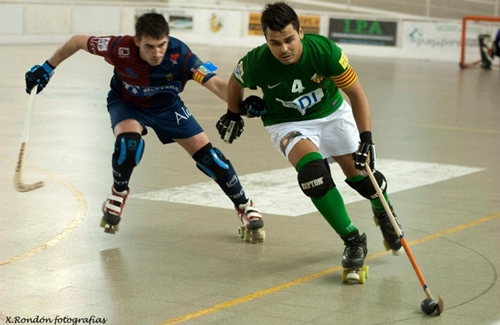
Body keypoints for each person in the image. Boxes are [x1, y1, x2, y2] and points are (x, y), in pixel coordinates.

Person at [24, 11, 265, 242]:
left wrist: (240, 106)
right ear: (138, 41)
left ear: (168, 39)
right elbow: (77, 41)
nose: (157, 52)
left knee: (212, 159)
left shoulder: (181, 55)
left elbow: (216, 84)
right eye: (149, 46)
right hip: (127, 104)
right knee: (128, 146)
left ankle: (244, 205)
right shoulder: (119, 47)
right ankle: (119, 193)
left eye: (162, 44)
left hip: (168, 108)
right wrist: (47, 67)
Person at [217, 1, 403, 275]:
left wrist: (366, 139)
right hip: (287, 122)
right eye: (275, 42)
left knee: (362, 179)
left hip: (331, 115)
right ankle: (353, 240)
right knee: (313, 177)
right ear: (266, 39)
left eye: (289, 40)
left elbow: (357, 94)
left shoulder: (325, 51)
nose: (284, 49)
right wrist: (234, 112)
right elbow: (235, 83)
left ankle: (382, 207)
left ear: (301, 32)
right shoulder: (256, 61)